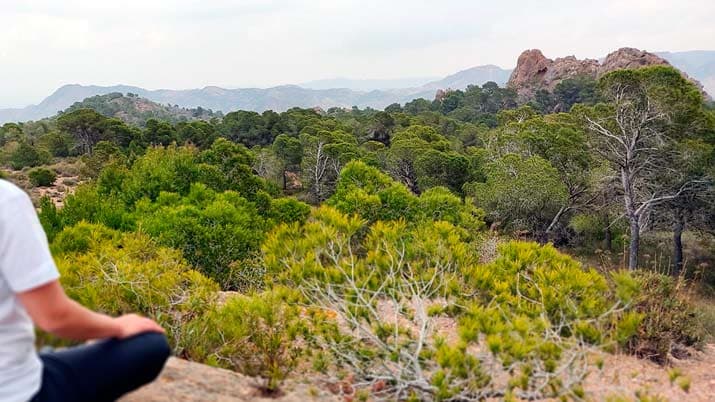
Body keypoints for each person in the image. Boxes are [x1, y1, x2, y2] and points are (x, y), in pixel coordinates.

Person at [0, 179, 171, 402]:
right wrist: (117, 327)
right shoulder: (7, 201)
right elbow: (54, 318)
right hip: (18, 391)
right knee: (150, 344)